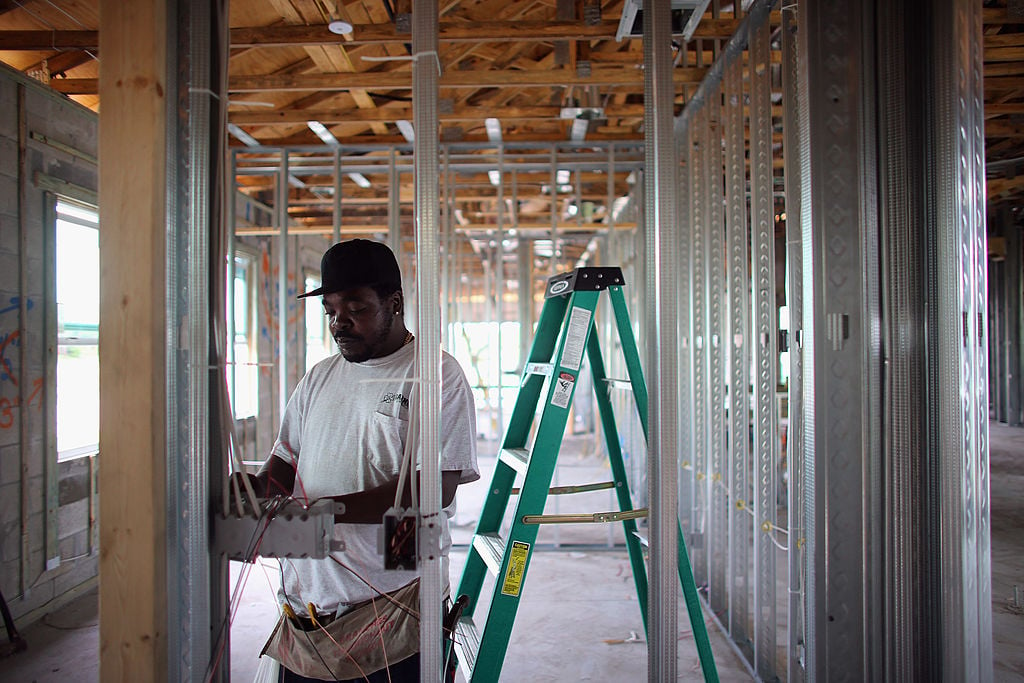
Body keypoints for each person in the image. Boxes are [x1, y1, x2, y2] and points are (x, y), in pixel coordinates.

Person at [249, 239, 479, 682]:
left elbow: (431, 489)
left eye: (355, 308)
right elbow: (284, 459)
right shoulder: (320, 376)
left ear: (394, 303)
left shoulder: (434, 373)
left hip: (394, 607)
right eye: (331, 310)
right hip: (309, 607)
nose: (340, 323)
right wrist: (259, 490)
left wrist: (319, 514)